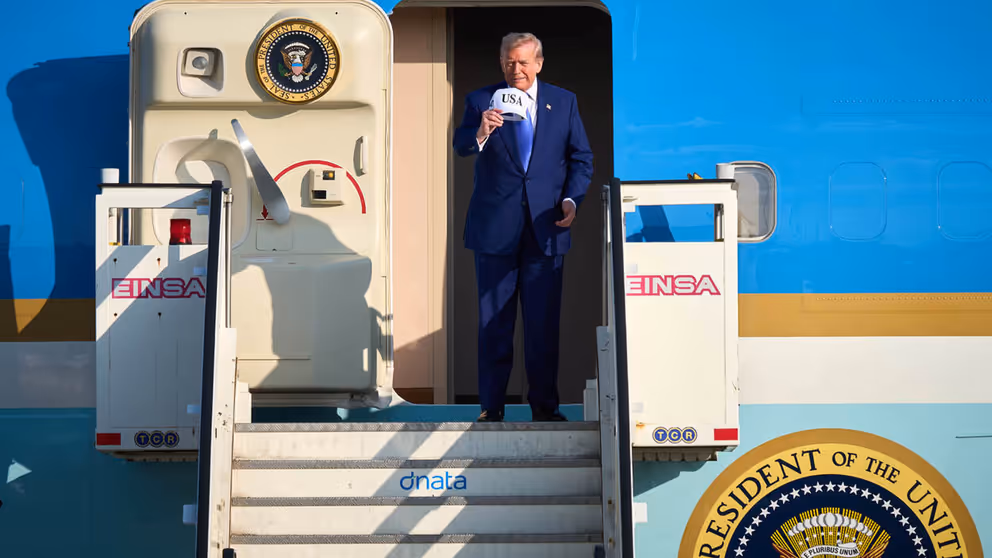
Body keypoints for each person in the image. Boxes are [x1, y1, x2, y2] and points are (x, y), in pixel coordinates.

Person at [453, 32, 594, 422]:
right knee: (494, 324)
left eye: (524, 62)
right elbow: (460, 145)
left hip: (546, 229)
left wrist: (571, 199)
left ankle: (545, 408)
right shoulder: (481, 100)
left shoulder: (563, 102)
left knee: (542, 327)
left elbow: (581, 158)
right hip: (495, 231)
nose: (517, 69)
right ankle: (491, 407)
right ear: (501, 63)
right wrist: (481, 131)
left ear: (539, 63)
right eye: (510, 62)